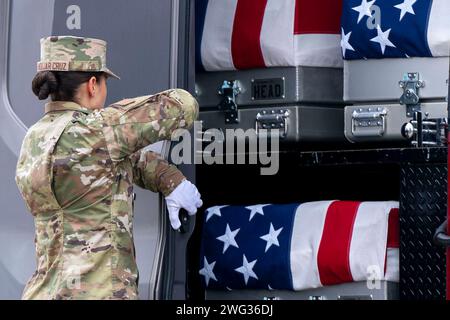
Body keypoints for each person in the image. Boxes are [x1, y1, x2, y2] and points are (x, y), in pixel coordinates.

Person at [14, 36, 202, 300]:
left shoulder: (34, 137)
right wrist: (119, 113)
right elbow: (183, 105)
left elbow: (117, 161)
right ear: (93, 84)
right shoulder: (98, 130)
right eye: (103, 82)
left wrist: (168, 179)